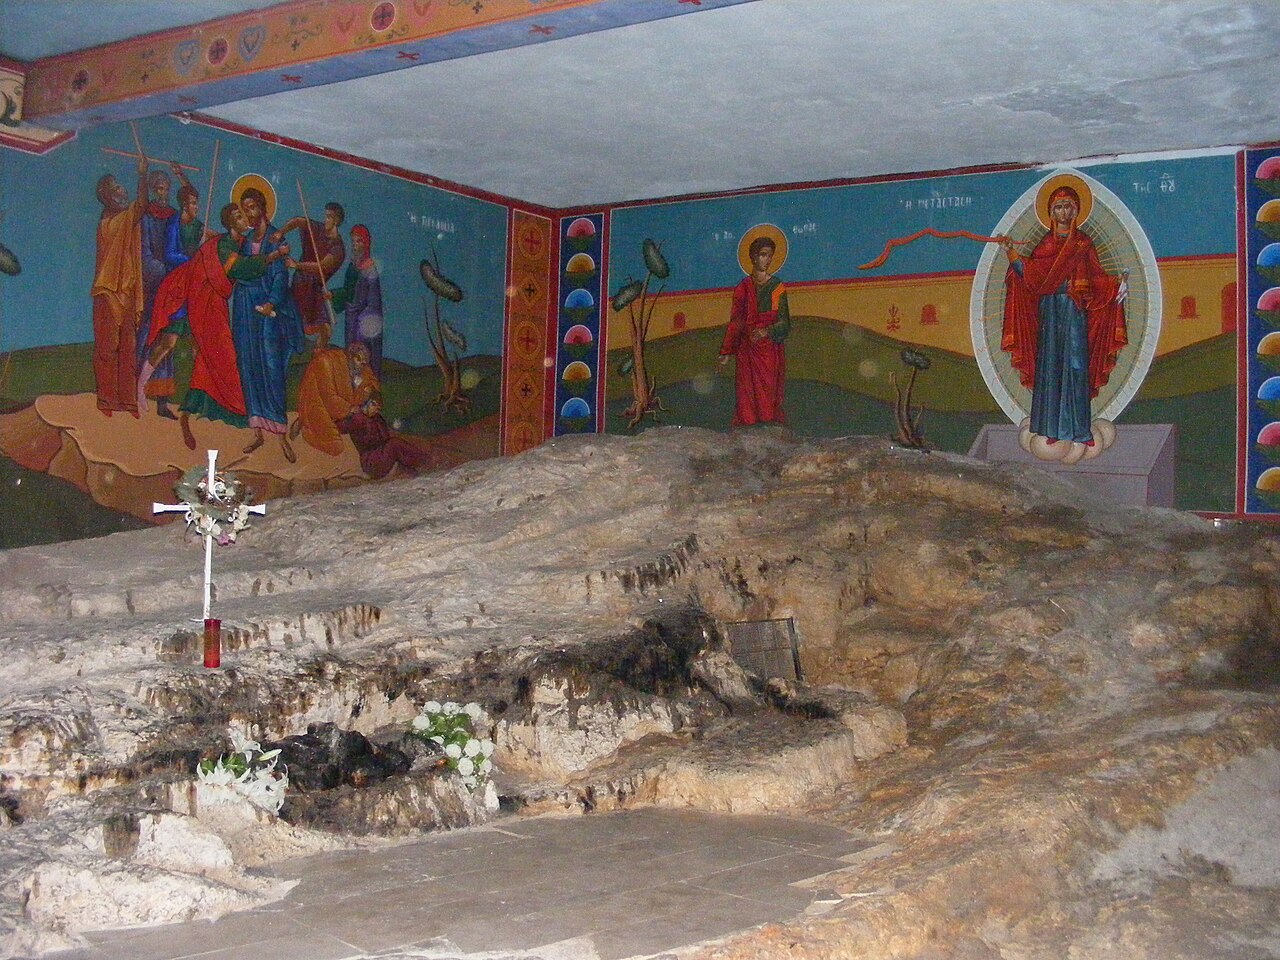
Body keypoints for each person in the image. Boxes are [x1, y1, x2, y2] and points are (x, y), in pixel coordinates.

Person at [147, 203, 290, 449]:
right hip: (211, 306)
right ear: (231, 223)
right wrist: (273, 256)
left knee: (220, 362)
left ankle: (194, 414)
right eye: (239, 215)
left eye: (246, 214)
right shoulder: (226, 245)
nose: (245, 218)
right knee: (222, 359)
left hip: (231, 307)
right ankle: (197, 414)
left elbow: (260, 269)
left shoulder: (242, 243)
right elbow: (241, 268)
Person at [1001, 184, 1128, 445]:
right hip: (1050, 311)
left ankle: (1080, 431)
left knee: (1076, 367)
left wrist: (1116, 284)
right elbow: (1032, 275)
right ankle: (1051, 429)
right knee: (1050, 368)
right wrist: (1012, 254)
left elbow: (1096, 277)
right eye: (1058, 206)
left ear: (1076, 210)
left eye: (1068, 205)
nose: (1063, 211)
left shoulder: (1082, 243)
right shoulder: (1046, 244)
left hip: (1074, 312)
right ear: (1051, 212)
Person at [232, 186, 304, 461]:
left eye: (252, 207)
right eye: (245, 208)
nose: (249, 214)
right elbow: (239, 270)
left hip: (268, 312)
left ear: (263, 208)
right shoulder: (245, 240)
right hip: (245, 310)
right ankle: (258, 433)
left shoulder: (276, 238)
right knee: (249, 366)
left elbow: (279, 276)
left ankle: (281, 434)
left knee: (272, 369)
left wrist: (272, 303)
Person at [137, 170, 205, 418]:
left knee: (191, 342)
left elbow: (208, 239)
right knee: (166, 340)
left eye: (166, 188)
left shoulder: (196, 224)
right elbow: (169, 253)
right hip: (172, 285)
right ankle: (140, 387)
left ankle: (191, 400)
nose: (161, 192)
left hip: (189, 288)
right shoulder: (173, 222)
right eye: (158, 188)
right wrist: (192, 261)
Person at [90, 156, 148, 417]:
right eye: (116, 189)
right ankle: (106, 399)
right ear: (109, 197)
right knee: (108, 347)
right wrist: (143, 175)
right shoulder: (112, 222)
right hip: (108, 292)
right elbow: (142, 206)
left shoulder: (125, 219)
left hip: (125, 290)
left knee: (128, 347)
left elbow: (140, 207)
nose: (122, 191)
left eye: (121, 187)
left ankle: (127, 400)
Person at [718, 236, 791, 425]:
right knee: (747, 395)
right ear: (753, 257)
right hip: (747, 350)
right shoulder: (743, 288)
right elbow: (736, 321)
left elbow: (785, 323)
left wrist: (766, 331)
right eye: (762, 255)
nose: (766, 260)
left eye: (770, 256)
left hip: (769, 351)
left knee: (768, 395)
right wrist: (727, 350)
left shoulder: (777, 287)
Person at [291, 333, 379, 457]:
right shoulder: (326, 363)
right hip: (318, 404)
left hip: (340, 410)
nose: (363, 366)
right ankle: (306, 425)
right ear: (351, 356)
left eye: (365, 363)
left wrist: (371, 397)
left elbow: (372, 382)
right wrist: (351, 409)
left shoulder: (359, 366)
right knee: (335, 446)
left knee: (375, 423)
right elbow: (329, 398)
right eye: (360, 361)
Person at [274, 202, 346, 337]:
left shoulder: (338, 248)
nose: (326, 220)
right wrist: (281, 232)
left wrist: (297, 265)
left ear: (336, 221)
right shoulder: (318, 229)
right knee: (290, 317)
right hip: (300, 283)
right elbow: (298, 221)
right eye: (326, 216)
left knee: (323, 327)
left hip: (314, 288)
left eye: (329, 217)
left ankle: (319, 354)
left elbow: (321, 266)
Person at [328, 224, 384, 378]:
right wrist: (333, 295)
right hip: (351, 319)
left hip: (363, 324)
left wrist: (363, 324)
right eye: (353, 241)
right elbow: (349, 291)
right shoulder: (353, 266)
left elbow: (373, 302)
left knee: (362, 359)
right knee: (350, 359)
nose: (355, 245)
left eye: (359, 241)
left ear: (366, 243)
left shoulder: (370, 268)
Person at [338, 392, 433, 479]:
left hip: (383, 455)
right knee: (394, 444)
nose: (376, 410)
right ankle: (425, 461)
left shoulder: (378, 418)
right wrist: (349, 413)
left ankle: (418, 465)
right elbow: (340, 427)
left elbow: (387, 435)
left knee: (395, 444)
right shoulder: (357, 419)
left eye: (378, 408)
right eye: (374, 406)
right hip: (371, 462)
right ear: (368, 403)